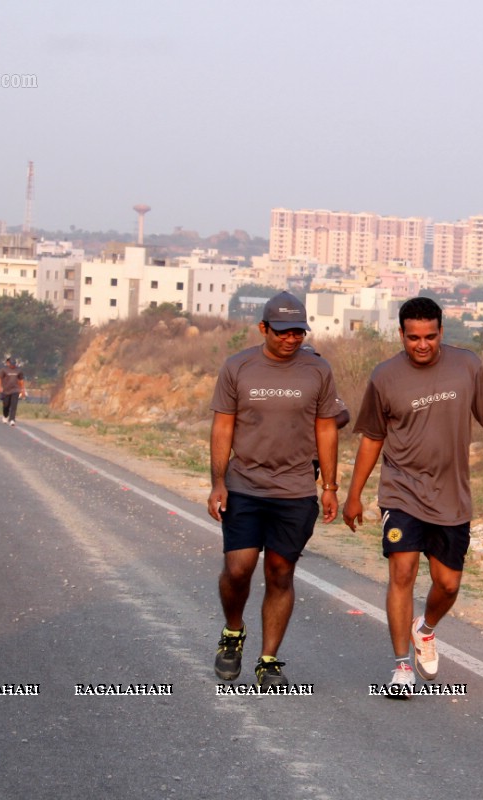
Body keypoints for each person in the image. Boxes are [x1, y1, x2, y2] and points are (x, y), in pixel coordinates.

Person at [344, 297, 483, 692]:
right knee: (402, 572)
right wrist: (354, 494)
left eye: (429, 336)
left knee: (448, 585)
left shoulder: (467, 366)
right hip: (401, 491)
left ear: (441, 332)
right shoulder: (384, 376)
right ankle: (401, 667)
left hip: (452, 497)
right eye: (412, 338)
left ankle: (425, 628)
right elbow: (373, 438)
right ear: (401, 335)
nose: (421, 345)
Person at [207, 291, 344, 689]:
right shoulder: (238, 367)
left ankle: (269, 660)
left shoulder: (317, 370)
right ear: (264, 328)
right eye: (282, 331)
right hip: (245, 485)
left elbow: (326, 428)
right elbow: (223, 426)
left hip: (296, 489)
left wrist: (331, 485)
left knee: (281, 572)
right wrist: (218, 482)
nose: (291, 339)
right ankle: (233, 633)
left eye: (298, 331)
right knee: (238, 569)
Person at [0, 357, 27, 426]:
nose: (13, 365)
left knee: (14, 405)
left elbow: (21, 380)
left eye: (14, 364)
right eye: (11, 364)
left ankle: (12, 419)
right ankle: (5, 415)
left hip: (15, 390)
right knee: (6, 405)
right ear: (8, 363)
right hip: (6, 390)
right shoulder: (4, 370)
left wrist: (22, 390)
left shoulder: (18, 371)